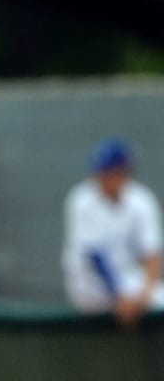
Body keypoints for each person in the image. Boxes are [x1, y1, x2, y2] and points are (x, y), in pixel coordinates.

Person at [62, 137, 164, 329]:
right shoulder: (81, 200)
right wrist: (121, 297)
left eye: (108, 172)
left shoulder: (142, 200)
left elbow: (152, 253)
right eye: (100, 172)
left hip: (127, 279)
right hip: (90, 283)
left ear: (123, 173)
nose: (102, 177)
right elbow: (95, 257)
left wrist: (144, 295)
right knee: (95, 294)